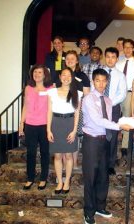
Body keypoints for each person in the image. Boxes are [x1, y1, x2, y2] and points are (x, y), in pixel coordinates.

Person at [81, 68, 131, 224]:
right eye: (98, 80)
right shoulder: (88, 99)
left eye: (104, 81)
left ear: (107, 82)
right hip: (91, 141)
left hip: (105, 140)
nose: (101, 84)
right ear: (93, 81)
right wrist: (120, 126)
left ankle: (100, 206)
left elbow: (107, 123)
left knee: (103, 176)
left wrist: (120, 125)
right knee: (90, 177)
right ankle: (88, 212)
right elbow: (97, 120)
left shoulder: (108, 101)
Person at [47, 67, 83, 195]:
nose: (66, 78)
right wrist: (48, 130)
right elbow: (49, 112)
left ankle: (67, 181)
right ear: (60, 77)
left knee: (68, 155)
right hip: (56, 124)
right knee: (57, 156)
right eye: (64, 75)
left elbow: (77, 113)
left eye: (69, 75)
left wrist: (74, 131)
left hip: (69, 124)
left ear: (72, 78)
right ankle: (59, 182)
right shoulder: (52, 92)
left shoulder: (77, 93)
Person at [19, 64, 52, 190]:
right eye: (35, 72)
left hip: (44, 125)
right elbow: (25, 107)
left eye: (40, 72)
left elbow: (50, 109)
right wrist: (22, 123)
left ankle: (43, 179)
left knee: (44, 152)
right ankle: (30, 178)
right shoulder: (28, 88)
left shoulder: (50, 89)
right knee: (31, 152)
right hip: (30, 125)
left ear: (44, 75)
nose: (37, 74)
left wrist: (49, 127)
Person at [60, 50, 91, 169]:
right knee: (63, 134)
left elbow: (87, 95)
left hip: (78, 108)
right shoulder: (60, 75)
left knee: (76, 135)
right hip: (62, 110)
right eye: (67, 58)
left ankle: (74, 161)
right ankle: (64, 162)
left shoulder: (82, 75)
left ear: (77, 61)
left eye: (72, 58)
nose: (70, 60)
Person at [103, 47, 127, 175]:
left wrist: (109, 102)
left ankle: (110, 164)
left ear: (117, 59)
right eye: (108, 56)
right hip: (98, 107)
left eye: (113, 57)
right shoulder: (99, 72)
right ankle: (100, 162)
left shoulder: (120, 75)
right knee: (99, 135)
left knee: (112, 137)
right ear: (104, 57)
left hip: (114, 107)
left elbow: (122, 94)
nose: (110, 59)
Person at [116, 38, 134, 157]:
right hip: (117, 93)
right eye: (125, 47)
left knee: (126, 118)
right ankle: (114, 142)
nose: (128, 49)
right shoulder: (118, 63)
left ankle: (125, 146)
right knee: (115, 117)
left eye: (130, 47)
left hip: (130, 93)